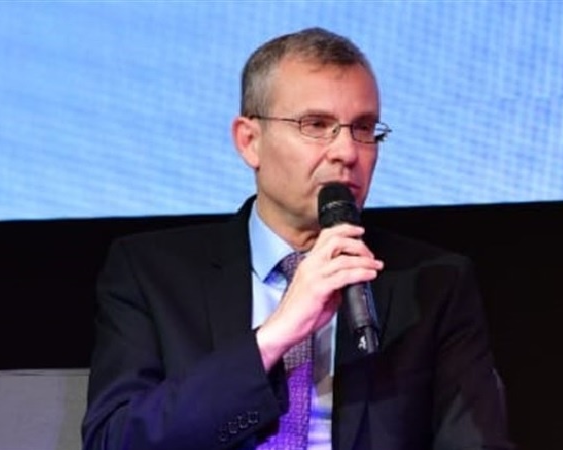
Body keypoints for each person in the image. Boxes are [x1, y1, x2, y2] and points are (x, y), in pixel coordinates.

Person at [82, 27, 512, 450]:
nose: (347, 152)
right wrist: (275, 336)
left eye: (364, 128)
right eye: (317, 125)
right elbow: (113, 440)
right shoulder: (150, 273)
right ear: (249, 142)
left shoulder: (433, 285)